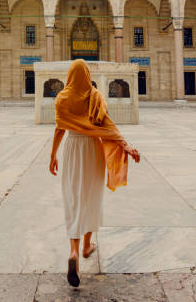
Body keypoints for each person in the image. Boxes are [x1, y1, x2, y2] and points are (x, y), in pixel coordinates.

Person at [49, 59, 140, 287]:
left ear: (70, 75)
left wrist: (52, 156)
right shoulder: (95, 96)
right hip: (92, 149)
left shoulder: (62, 98)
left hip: (72, 148)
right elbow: (108, 126)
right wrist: (126, 145)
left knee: (73, 198)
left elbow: (60, 129)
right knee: (91, 197)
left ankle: (73, 251)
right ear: (87, 75)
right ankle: (87, 245)